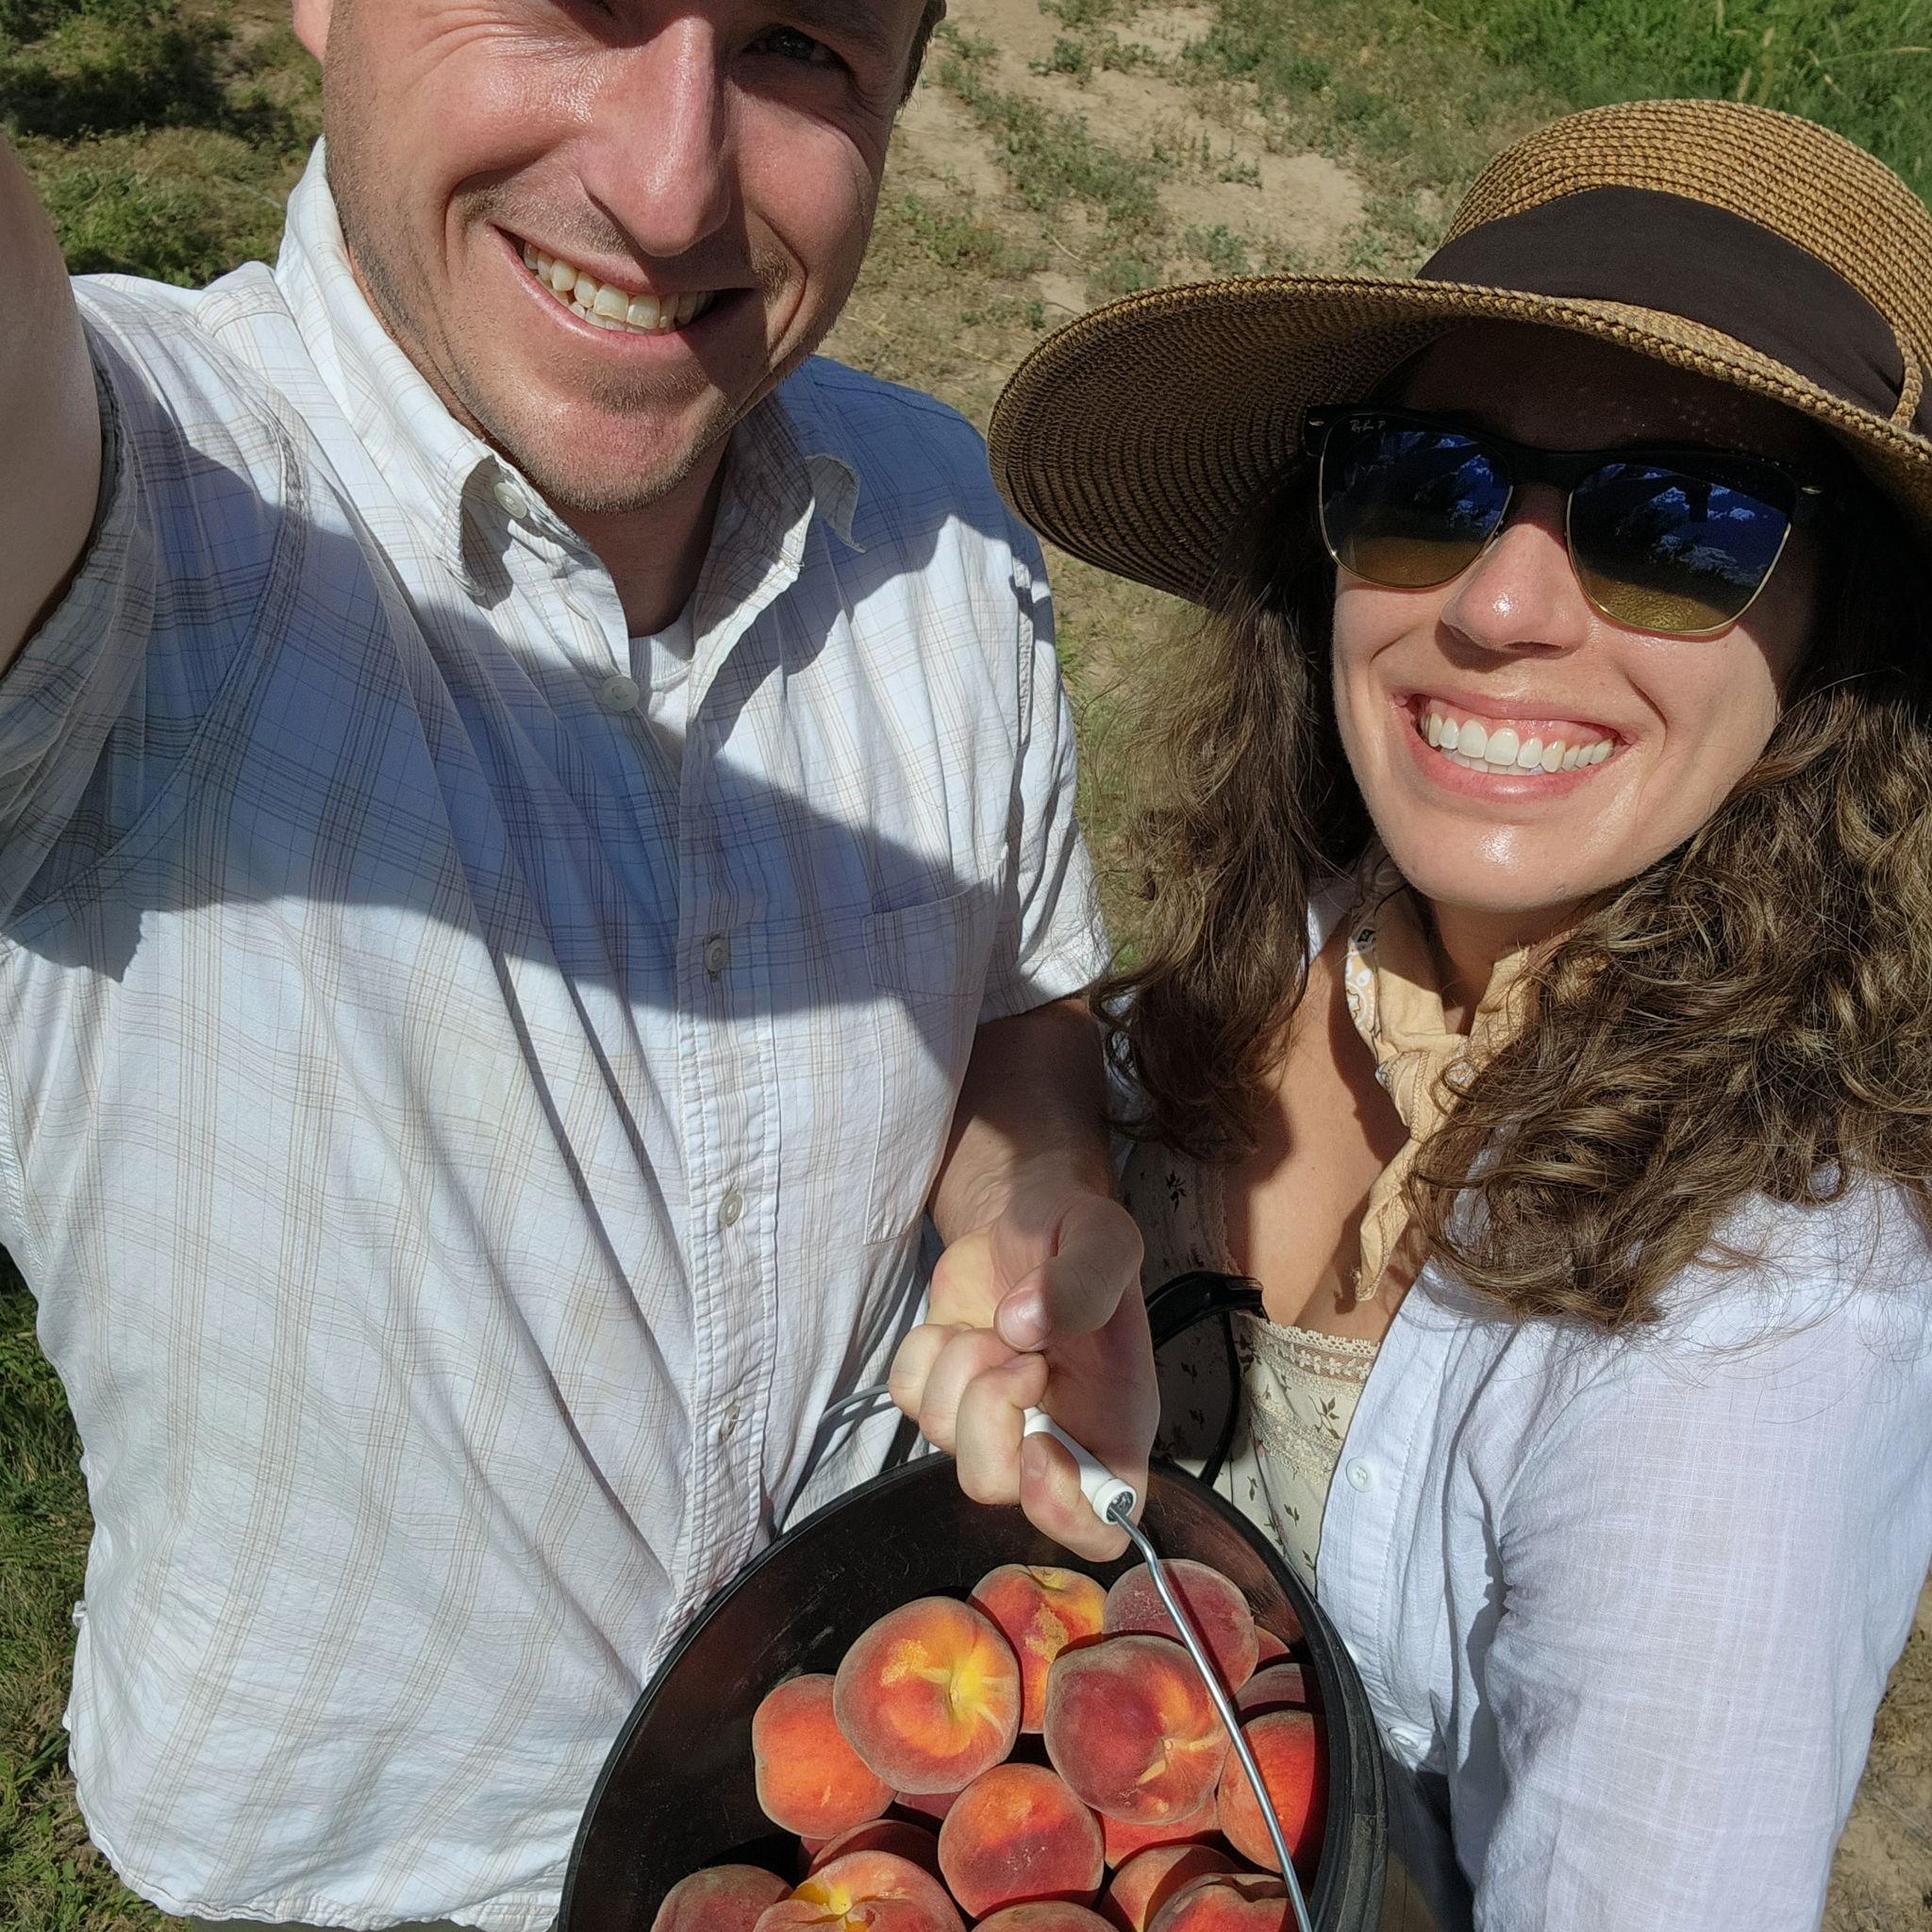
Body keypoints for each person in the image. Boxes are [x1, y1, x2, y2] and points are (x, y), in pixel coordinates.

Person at [0, 1, 1157, 1927]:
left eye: (801, 41)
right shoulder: (142, 521)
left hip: (831, 1814)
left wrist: (1031, 1196)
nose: (667, 178)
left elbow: (1015, 1004)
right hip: (353, 1882)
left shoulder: (934, 530)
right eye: (576, 4)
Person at [986, 98, 1932, 1930]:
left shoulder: (1751, 1351)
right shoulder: (1331, 939)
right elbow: (1042, 1068)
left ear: (1843, 641)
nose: (1499, 604)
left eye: (1682, 524)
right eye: (1425, 481)